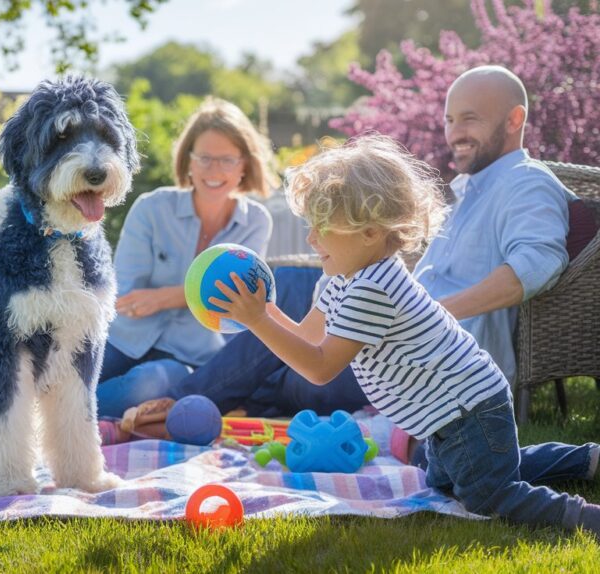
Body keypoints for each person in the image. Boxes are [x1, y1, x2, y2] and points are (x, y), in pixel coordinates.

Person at [104, 65, 577, 429]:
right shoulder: (470, 189)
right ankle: (209, 402)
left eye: (470, 118)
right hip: (386, 327)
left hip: (421, 356)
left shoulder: (525, 183)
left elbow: (535, 266)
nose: (454, 131)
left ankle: (190, 404)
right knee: (291, 300)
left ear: (515, 119)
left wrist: (431, 312)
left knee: (288, 315)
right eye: (450, 118)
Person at [210, 133, 599, 536]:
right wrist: (265, 310)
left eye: (322, 226)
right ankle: (584, 459)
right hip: (446, 417)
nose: (310, 238)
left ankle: (583, 517)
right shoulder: (341, 280)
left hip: (468, 409)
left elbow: (321, 367)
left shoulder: (373, 288)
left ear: (370, 232)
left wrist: (258, 320)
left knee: (488, 495)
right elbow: (308, 337)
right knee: (448, 481)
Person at [96, 97, 278, 417]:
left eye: (227, 160)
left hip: (188, 356)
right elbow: (125, 292)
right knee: (69, 373)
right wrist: (193, 295)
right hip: (123, 337)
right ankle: (59, 417)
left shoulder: (256, 222)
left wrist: (164, 297)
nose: (214, 170)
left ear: (244, 165)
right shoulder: (151, 208)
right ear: (188, 161)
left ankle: (64, 422)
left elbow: (235, 301)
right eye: (205, 158)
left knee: (146, 385)